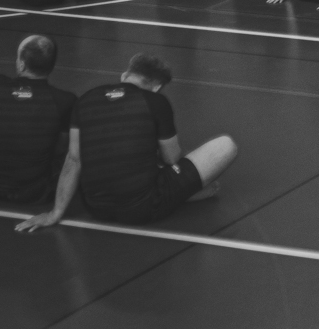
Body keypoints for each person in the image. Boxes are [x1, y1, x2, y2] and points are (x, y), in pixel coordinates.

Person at [18, 52, 239, 229]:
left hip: (96, 207)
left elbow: (74, 159)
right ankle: (182, 195)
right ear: (157, 87)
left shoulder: (85, 100)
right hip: (143, 209)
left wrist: (55, 212)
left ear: (125, 75)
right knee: (225, 145)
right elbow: (172, 158)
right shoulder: (156, 101)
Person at [0, 35, 76, 206]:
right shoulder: (64, 100)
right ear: (51, 66)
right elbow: (61, 149)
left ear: (21, 64)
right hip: (35, 192)